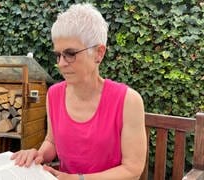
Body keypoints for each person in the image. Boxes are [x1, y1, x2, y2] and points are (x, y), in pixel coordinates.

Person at [11, 3, 146, 180]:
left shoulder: (128, 100)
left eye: (70, 54)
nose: (61, 63)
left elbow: (132, 169)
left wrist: (77, 179)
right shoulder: (54, 94)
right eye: (58, 55)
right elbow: (51, 141)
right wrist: (39, 155)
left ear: (99, 53)